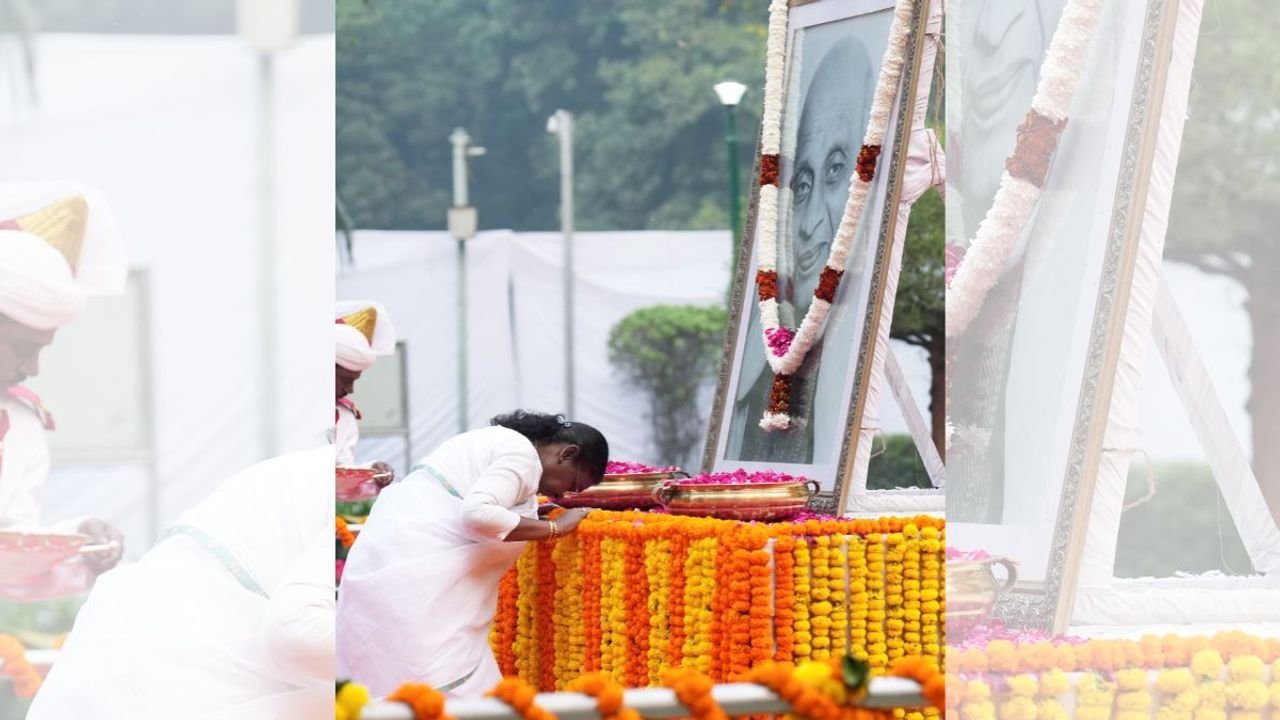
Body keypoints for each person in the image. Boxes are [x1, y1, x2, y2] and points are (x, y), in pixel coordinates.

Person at [27, 446, 334, 719]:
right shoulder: (340, 483)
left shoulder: (299, 474)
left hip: (145, 648)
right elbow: (299, 633)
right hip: (179, 664)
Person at [336, 410, 609, 697]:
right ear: (567, 453)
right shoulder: (522, 456)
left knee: (399, 681)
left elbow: (467, 497)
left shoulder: (504, 442)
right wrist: (556, 528)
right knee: (448, 687)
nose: (562, 496)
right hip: (417, 584)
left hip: (390, 566)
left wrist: (530, 514)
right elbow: (478, 515)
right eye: (572, 485)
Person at [727, 36, 876, 465]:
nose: (808, 223)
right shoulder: (763, 349)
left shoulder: (857, 328)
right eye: (803, 184)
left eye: (836, 169)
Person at [0, 184, 128, 596]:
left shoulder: (20, 426)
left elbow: (9, 557)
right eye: (24, 348)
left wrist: (79, 545)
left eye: (40, 351)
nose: (31, 369)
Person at [334, 299, 397, 486]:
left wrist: (371, 471)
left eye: (354, 381)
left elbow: (340, 473)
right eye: (346, 380)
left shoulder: (345, 417)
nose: (350, 390)